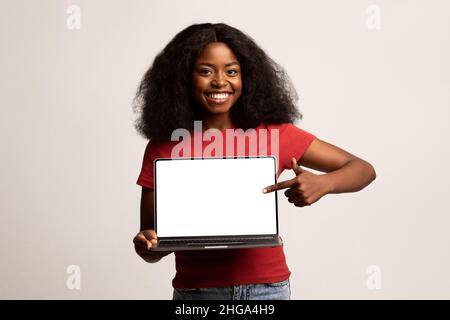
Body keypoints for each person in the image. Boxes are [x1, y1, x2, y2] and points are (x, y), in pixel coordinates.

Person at [132, 23, 376, 300]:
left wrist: (324, 183)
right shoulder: (165, 145)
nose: (220, 81)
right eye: (205, 71)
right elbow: (153, 241)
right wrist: (147, 246)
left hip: (266, 290)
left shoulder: (275, 134)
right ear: (183, 77)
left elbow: (364, 169)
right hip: (197, 292)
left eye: (232, 71)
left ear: (247, 76)